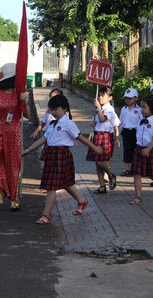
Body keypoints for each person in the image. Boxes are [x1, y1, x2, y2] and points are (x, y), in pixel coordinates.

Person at [22, 94, 103, 224]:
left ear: (65, 109)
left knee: (51, 187)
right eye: (51, 110)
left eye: (56, 109)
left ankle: (46, 215)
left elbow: (80, 138)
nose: (53, 112)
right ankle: (82, 201)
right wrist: (29, 149)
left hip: (61, 155)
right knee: (66, 183)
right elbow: (44, 139)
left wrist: (94, 148)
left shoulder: (68, 123)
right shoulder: (52, 123)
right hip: (51, 155)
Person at [0, 63, 30, 211]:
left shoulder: (20, 94)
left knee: (14, 165)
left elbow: (28, 116)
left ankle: (15, 199)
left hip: (14, 132)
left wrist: (25, 101)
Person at [129, 96, 153, 203]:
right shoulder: (140, 121)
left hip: (150, 150)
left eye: (144, 107)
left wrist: (148, 150)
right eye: (141, 107)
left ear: (151, 108)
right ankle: (138, 197)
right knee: (137, 174)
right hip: (139, 149)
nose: (142, 110)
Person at [89, 86, 121, 194]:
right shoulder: (99, 109)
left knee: (100, 161)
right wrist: (92, 124)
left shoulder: (110, 109)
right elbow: (95, 121)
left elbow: (103, 119)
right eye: (99, 95)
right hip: (97, 135)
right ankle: (102, 186)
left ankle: (111, 175)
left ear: (110, 98)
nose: (100, 97)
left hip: (105, 136)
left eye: (103, 95)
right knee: (97, 163)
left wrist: (98, 108)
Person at [119, 88, 143, 177]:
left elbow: (141, 121)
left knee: (135, 150)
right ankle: (127, 169)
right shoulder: (123, 109)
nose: (128, 100)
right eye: (126, 98)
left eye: (130, 98)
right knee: (126, 150)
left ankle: (136, 168)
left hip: (135, 132)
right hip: (126, 132)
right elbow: (120, 120)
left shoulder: (139, 110)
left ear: (135, 98)